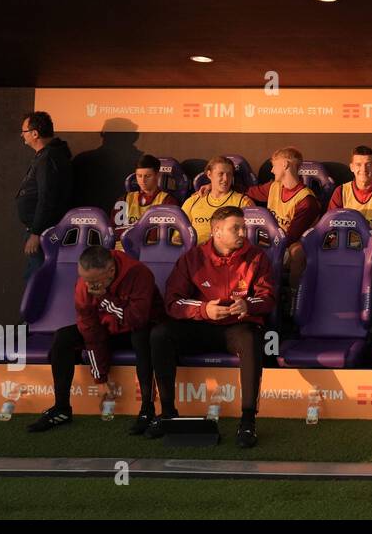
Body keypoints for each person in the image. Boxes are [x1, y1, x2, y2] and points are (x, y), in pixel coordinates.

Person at [150, 205, 275, 449]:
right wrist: (203, 309)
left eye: (243, 227)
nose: (242, 233)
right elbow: (173, 302)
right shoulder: (193, 258)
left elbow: (268, 298)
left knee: (251, 339)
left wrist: (247, 305)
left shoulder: (257, 257)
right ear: (216, 231)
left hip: (237, 327)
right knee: (160, 334)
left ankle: (248, 420)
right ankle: (167, 413)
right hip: (201, 325)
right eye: (235, 228)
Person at [26, 245, 164, 436]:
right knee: (63, 337)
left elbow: (137, 319)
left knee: (143, 336)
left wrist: (104, 298)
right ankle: (61, 408)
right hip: (108, 329)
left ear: (111, 271)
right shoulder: (84, 284)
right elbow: (90, 330)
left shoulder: (139, 273)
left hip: (139, 327)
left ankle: (147, 410)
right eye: (84, 278)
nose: (88, 285)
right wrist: (100, 377)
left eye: (93, 281)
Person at [241, 147, 321, 292]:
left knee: (296, 252)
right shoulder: (274, 187)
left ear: (285, 165)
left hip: (288, 245)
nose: (272, 170)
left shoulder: (306, 200)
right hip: (272, 241)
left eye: (274, 165)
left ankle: (293, 296)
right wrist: (211, 186)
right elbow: (246, 192)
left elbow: (290, 237)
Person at [327, 146, 372, 286]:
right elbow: (330, 224)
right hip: (348, 241)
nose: (364, 169)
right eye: (358, 164)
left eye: (368, 164)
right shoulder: (341, 191)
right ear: (351, 167)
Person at [16, 111, 72, 283]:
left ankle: (37, 310)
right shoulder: (46, 155)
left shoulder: (48, 157)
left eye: (24, 131)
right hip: (40, 230)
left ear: (35, 133)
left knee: (37, 279)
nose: (21, 135)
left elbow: (46, 197)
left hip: (44, 233)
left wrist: (36, 232)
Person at [180, 156, 252, 245]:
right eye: (220, 174)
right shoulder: (192, 201)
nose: (225, 179)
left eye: (229, 174)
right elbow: (177, 237)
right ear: (209, 175)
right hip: (196, 254)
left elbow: (250, 238)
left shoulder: (243, 202)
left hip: (227, 255)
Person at [118, 153, 178, 233]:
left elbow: (163, 234)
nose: (142, 180)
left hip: (151, 245)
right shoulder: (124, 199)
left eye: (147, 176)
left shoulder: (168, 201)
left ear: (157, 175)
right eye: (139, 176)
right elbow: (115, 230)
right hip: (123, 244)